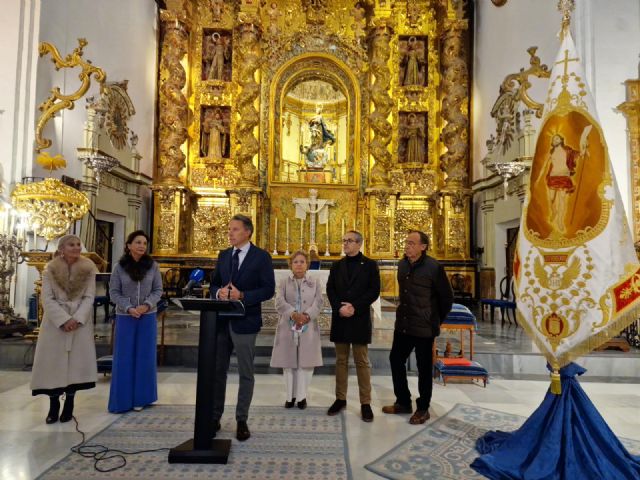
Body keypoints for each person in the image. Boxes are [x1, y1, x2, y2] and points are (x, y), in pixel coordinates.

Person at [210, 214, 275, 441]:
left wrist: (242, 295)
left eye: (235, 229)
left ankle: (241, 419)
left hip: (245, 321)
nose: (230, 233)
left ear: (247, 232)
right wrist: (219, 293)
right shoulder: (224, 255)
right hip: (221, 322)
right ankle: (214, 417)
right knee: (218, 372)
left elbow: (268, 290)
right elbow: (214, 283)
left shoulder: (261, 257)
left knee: (246, 373)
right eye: (229, 229)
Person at [382, 231, 453, 424]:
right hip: (404, 324)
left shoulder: (434, 267)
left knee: (423, 368)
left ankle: (423, 408)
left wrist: (435, 320)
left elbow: (446, 297)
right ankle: (403, 401)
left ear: (423, 246)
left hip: (424, 327)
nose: (407, 246)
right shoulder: (403, 264)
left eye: (412, 243)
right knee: (396, 359)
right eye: (406, 242)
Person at [31, 234, 98, 424]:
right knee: (53, 363)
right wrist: (63, 319)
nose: (76, 247)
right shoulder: (50, 270)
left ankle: (69, 403)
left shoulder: (88, 268)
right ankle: (53, 406)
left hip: (79, 323)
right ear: (61, 248)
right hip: (55, 324)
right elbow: (47, 298)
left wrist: (77, 318)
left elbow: (89, 297)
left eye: (78, 244)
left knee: (76, 364)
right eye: (71, 245)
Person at [326, 230, 380, 422]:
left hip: (359, 317)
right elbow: (330, 289)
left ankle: (365, 402)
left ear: (359, 244)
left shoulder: (370, 265)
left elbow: (374, 291)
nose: (345, 244)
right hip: (340, 316)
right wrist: (339, 308)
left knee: (361, 361)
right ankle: (340, 399)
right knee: (340, 360)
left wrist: (354, 307)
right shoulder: (336, 265)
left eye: (349, 241)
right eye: (344, 241)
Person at [108, 230, 163, 413]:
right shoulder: (119, 267)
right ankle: (122, 399)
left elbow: (158, 290)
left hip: (147, 316)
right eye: (138, 242)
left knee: (145, 357)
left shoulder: (153, 266)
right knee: (124, 358)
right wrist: (129, 307)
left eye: (144, 243)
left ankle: (143, 397)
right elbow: (114, 292)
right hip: (126, 317)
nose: (141, 246)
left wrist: (146, 305)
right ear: (129, 245)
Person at [270, 251, 324, 409]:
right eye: (295, 262)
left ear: (307, 264)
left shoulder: (315, 282)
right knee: (288, 363)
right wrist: (293, 314)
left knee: (306, 363)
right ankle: (289, 397)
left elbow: (319, 302)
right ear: (290, 265)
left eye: (302, 261)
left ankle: (302, 397)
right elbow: (279, 301)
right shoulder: (284, 282)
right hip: (288, 326)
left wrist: (307, 315)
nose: (299, 264)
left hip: (308, 327)